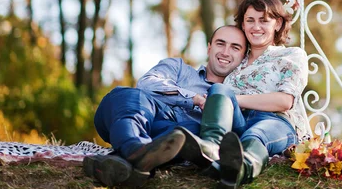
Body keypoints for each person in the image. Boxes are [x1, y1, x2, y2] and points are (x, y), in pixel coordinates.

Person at [83, 25, 247, 188]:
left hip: (175, 136)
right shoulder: (178, 67)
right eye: (220, 43)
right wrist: (194, 99)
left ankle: (126, 159)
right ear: (209, 48)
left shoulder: (238, 98)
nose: (225, 52)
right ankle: (134, 148)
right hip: (137, 115)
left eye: (235, 47)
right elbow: (147, 84)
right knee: (131, 95)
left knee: (187, 135)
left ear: (243, 57)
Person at [177, 0, 311, 189]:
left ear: (278, 24)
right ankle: (211, 148)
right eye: (250, 20)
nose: (256, 27)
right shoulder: (236, 61)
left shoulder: (291, 55)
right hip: (238, 123)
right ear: (243, 24)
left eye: (264, 20)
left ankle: (241, 169)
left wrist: (235, 99)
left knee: (255, 135)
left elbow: (284, 101)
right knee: (220, 88)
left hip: (275, 122)